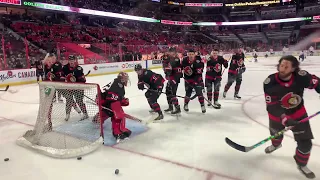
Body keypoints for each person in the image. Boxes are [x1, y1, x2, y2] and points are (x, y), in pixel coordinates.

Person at [263, 55, 320, 179]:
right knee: (276, 134)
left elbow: (316, 83)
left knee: (306, 144)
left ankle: (301, 164)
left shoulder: (301, 77)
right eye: (281, 65)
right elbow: (272, 105)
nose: (282, 68)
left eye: (286, 66)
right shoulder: (270, 82)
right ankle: (276, 145)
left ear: (293, 68)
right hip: (276, 117)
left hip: (298, 114)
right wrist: (284, 118)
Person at [100, 72, 131, 142]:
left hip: (104, 100)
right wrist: (122, 100)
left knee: (106, 113)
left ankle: (97, 119)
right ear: (121, 79)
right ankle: (118, 134)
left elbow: (114, 97)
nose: (126, 80)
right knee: (119, 115)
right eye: (125, 79)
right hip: (105, 101)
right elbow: (111, 97)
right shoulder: (117, 84)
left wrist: (122, 100)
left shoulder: (117, 83)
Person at [63, 55, 88, 121]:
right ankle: (67, 114)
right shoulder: (65, 68)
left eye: (73, 60)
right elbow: (62, 77)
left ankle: (85, 114)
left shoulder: (79, 68)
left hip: (78, 88)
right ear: (68, 60)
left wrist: (80, 80)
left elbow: (83, 80)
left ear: (75, 60)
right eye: (70, 60)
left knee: (79, 101)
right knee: (69, 101)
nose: (71, 61)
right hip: (69, 88)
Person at [162, 47, 183, 114]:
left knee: (172, 93)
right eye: (170, 51)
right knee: (168, 92)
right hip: (170, 79)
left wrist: (175, 79)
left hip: (174, 79)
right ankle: (170, 106)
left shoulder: (176, 59)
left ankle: (177, 108)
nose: (170, 53)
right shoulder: (169, 59)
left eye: (172, 52)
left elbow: (175, 70)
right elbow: (166, 69)